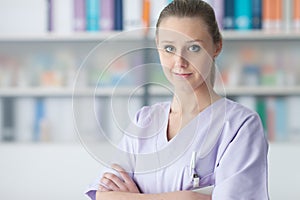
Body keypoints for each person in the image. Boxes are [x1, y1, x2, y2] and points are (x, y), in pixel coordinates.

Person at [85, 0, 269, 199]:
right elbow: (104, 194)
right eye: (169, 48)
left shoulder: (240, 126)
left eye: (194, 48)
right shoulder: (145, 119)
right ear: (157, 47)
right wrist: (188, 197)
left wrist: (134, 197)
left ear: (217, 46)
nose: (179, 62)